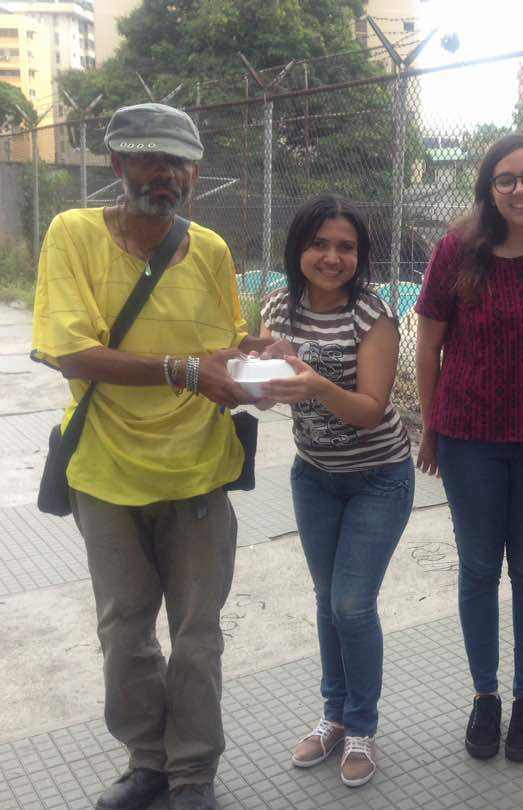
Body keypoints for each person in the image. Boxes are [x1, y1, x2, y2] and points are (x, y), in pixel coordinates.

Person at [30, 103, 292, 810]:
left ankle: (192, 773)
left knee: (198, 636)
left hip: (198, 470)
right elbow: (69, 350)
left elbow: (224, 350)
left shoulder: (207, 248)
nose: (166, 174)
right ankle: (147, 762)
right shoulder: (74, 234)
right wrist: (183, 371)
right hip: (108, 473)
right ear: (116, 164)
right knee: (124, 632)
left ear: (195, 171)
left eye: (178, 162)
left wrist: (258, 362)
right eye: (149, 158)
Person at [414, 133, 523, 762]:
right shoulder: (456, 251)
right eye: (506, 179)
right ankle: (485, 696)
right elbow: (428, 347)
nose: (520, 189)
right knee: (479, 568)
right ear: (489, 188)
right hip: (469, 439)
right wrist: (432, 426)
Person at [257, 194, 415, 788]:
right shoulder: (278, 302)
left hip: (379, 476)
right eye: (319, 243)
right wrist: (259, 378)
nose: (331, 257)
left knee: (351, 603)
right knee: (327, 601)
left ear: (360, 255)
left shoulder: (372, 315)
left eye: (345, 246)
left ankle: (362, 727)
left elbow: (373, 410)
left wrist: (316, 384)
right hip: (314, 476)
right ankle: (331, 717)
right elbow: (270, 386)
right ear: (299, 248)